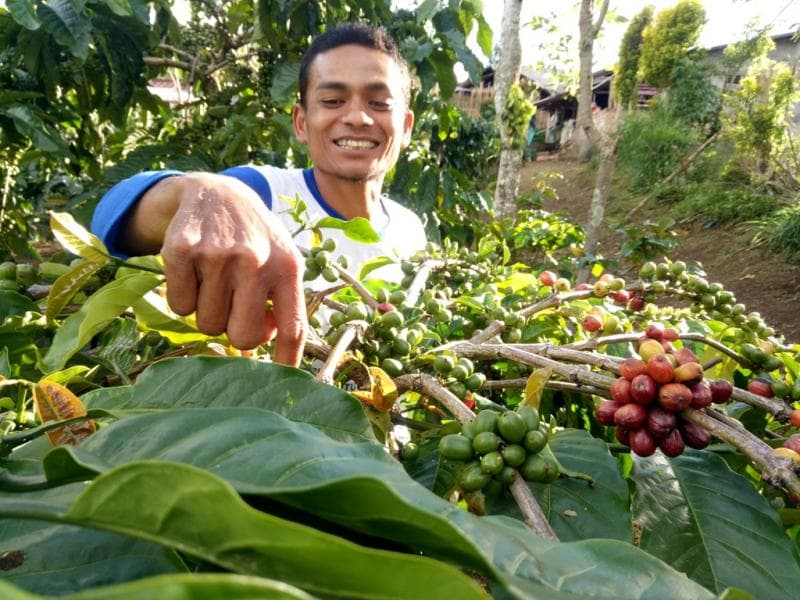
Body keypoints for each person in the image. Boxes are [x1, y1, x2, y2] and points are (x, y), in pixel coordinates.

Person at [91, 23, 427, 367]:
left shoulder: (410, 229)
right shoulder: (259, 193)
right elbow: (106, 222)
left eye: (379, 103)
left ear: (405, 127)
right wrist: (199, 193)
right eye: (332, 100)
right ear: (300, 122)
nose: (357, 117)